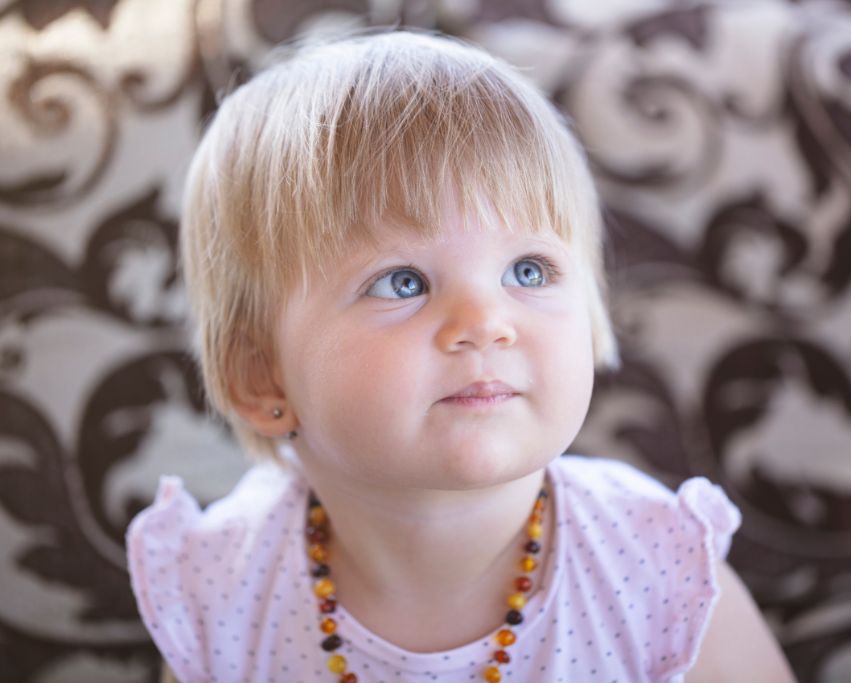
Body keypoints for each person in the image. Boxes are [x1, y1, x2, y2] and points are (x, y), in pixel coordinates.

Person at [126, 30, 795, 683]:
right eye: (402, 282)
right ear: (260, 373)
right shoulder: (223, 587)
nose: (486, 323)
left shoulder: (655, 564)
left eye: (528, 271)